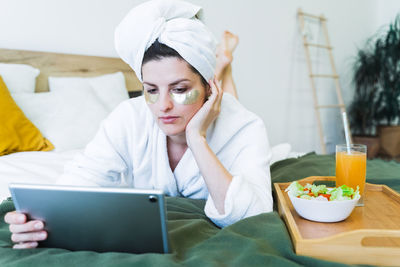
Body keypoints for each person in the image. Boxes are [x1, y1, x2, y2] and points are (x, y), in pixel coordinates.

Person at [4, 0, 272, 249]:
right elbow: (78, 185)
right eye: (151, 90)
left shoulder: (246, 127)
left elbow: (253, 218)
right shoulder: (129, 118)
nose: (162, 105)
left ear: (210, 88)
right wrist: (36, 223)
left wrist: (197, 138)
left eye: (179, 89)